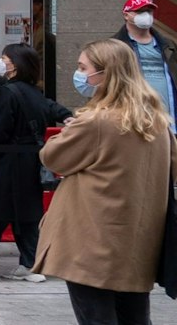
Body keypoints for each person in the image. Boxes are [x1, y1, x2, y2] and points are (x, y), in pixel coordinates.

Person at [35, 37, 177, 323]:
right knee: (135, 318)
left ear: (105, 74)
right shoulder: (158, 122)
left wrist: (71, 129)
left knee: (97, 317)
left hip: (91, 242)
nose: (79, 74)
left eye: (83, 68)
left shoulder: (97, 121)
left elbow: (53, 157)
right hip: (138, 244)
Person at [0, 42, 72, 283]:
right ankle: (30, 265)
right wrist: (69, 116)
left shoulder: (7, 92)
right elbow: (53, 109)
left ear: (15, 65)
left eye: (5, 59)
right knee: (26, 215)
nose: (1, 63)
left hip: (6, 161)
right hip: (30, 162)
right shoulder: (35, 93)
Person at [115, 0, 176, 131]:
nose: (146, 15)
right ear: (126, 15)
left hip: (169, 121)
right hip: (135, 123)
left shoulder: (168, 45)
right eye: (140, 11)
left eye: (149, 11)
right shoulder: (115, 46)